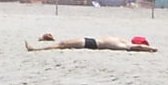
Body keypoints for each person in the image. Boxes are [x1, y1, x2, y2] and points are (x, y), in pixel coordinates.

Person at [25, 32, 158, 53]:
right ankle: (38, 48)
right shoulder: (124, 42)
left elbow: (139, 47)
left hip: (93, 44)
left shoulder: (127, 45)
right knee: (63, 44)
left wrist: (151, 49)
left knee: (63, 44)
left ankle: (36, 50)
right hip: (92, 42)